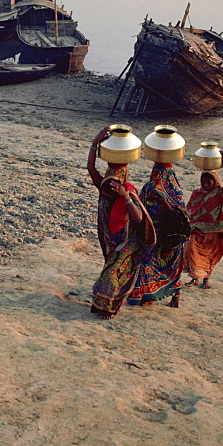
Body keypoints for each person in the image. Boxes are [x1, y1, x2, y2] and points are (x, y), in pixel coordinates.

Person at [87, 127, 156, 319]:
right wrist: (95, 143)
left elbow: (139, 218)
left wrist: (125, 197)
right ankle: (105, 303)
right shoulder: (106, 187)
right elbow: (91, 169)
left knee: (114, 272)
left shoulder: (125, 191)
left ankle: (110, 307)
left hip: (125, 240)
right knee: (112, 270)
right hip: (111, 237)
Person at [127, 157, 187, 308]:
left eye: (160, 173)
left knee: (171, 268)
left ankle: (176, 295)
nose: (156, 176)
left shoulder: (174, 191)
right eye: (155, 172)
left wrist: (163, 202)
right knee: (145, 264)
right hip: (151, 234)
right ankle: (145, 295)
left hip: (169, 237)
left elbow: (180, 214)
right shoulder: (149, 187)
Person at [183, 151, 223, 290]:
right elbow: (190, 209)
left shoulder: (220, 192)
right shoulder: (197, 193)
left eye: (209, 182)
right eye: (203, 182)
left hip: (215, 231)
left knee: (209, 256)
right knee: (191, 249)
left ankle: (205, 279)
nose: (206, 184)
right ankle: (194, 277)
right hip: (197, 229)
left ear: (215, 181)